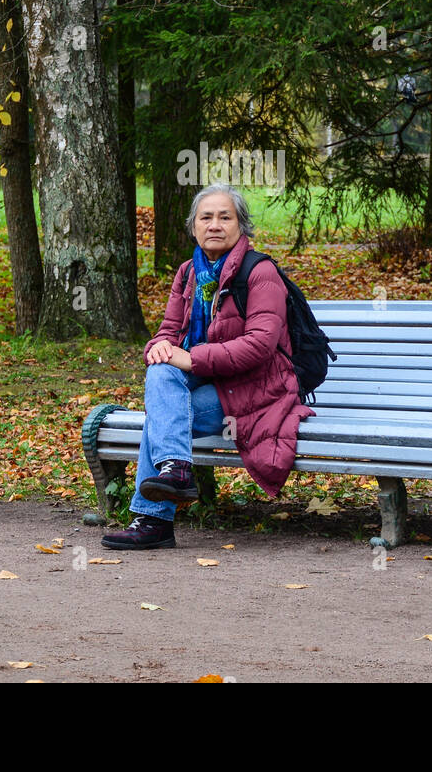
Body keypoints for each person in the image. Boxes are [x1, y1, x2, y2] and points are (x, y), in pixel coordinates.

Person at [102, 183, 313, 550]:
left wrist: (192, 357)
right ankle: (177, 471)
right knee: (161, 371)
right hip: (211, 382)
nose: (214, 225)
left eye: (224, 217)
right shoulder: (187, 273)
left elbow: (260, 347)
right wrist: (158, 348)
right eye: (206, 217)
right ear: (194, 226)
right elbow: (168, 332)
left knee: (161, 417)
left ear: (241, 226)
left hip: (256, 390)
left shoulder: (260, 273)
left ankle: (154, 520)